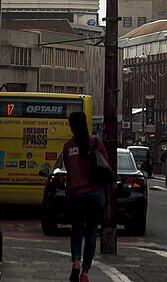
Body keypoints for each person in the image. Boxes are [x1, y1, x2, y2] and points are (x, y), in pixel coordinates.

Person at [61, 111, 108, 282]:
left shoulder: (67, 147)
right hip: (95, 193)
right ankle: (85, 273)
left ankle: (75, 261)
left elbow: (68, 170)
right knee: (91, 232)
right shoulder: (95, 142)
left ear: (71, 127)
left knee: (76, 230)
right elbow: (105, 164)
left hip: (76, 195)